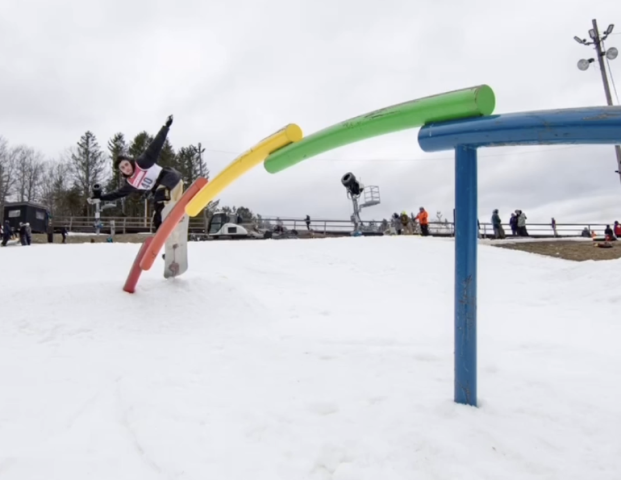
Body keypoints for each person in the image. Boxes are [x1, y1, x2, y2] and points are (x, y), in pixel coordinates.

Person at [87, 115, 183, 231]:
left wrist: (166, 127)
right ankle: (162, 232)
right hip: (164, 191)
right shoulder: (131, 183)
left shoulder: (142, 163)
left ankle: (169, 213)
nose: (126, 168)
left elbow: (155, 146)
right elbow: (117, 194)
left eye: (126, 164)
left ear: (130, 162)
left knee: (159, 196)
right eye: (122, 168)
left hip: (170, 178)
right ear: (121, 171)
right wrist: (101, 198)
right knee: (158, 214)